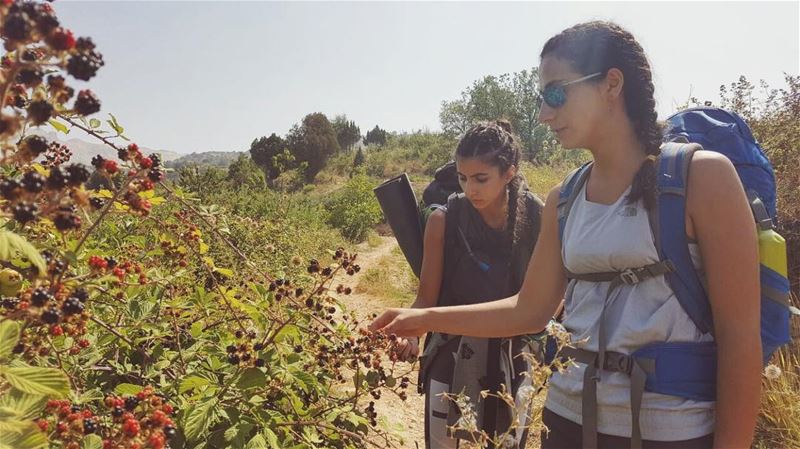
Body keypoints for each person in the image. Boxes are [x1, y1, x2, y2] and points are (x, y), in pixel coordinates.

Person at [371, 21, 761, 449]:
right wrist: (421, 318)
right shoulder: (566, 197)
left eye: (556, 92)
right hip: (565, 421)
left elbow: (740, 339)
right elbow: (529, 311)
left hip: (668, 432)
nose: (544, 112)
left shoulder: (702, 178)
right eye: (543, 97)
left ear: (611, 84)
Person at [393, 119, 544, 449]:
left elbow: (549, 300)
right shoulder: (442, 220)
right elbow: (425, 300)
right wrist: (411, 334)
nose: (470, 188)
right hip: (450, 356)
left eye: (480, 178)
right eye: (462, 178)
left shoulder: (537, 218)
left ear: (509, 172)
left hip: (512, 359)